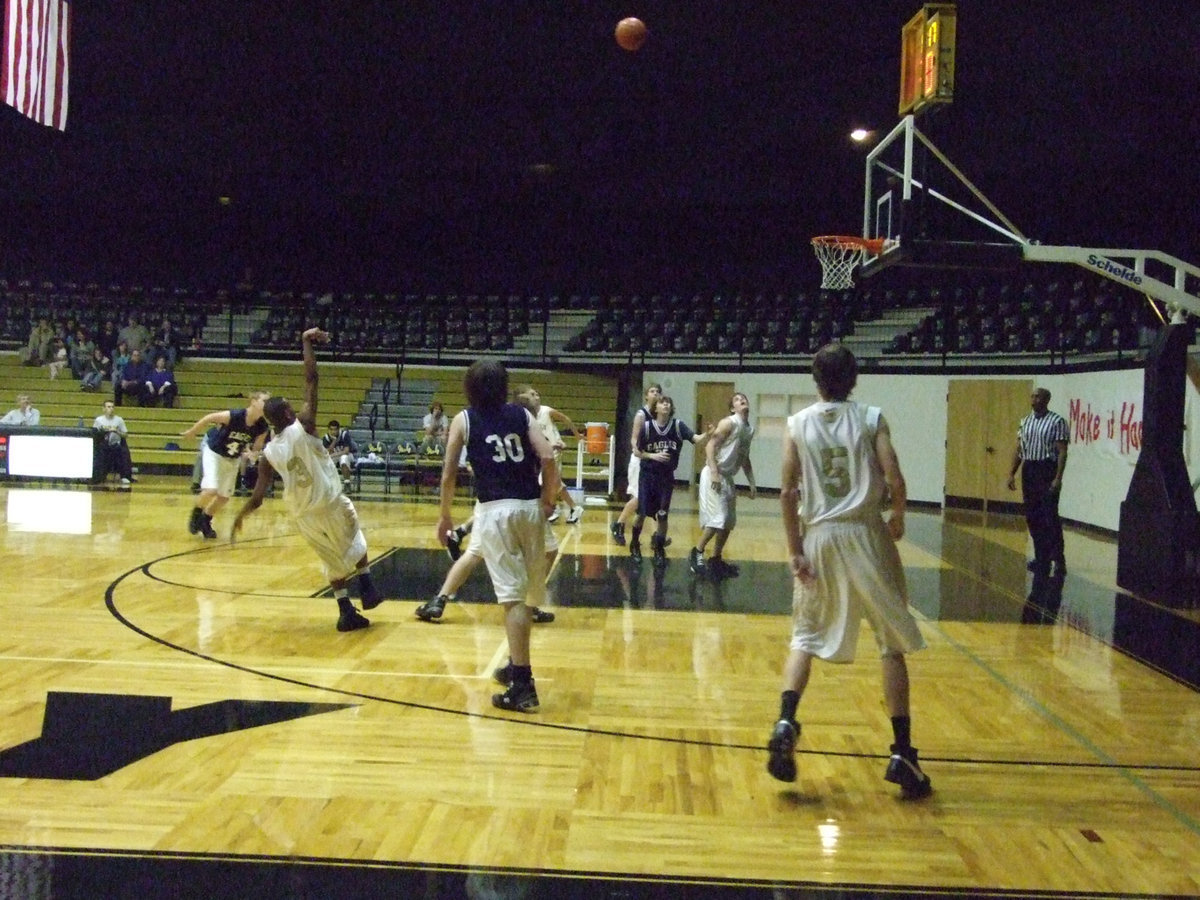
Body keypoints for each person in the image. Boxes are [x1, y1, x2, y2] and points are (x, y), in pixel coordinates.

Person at [766, 343, 931, 799]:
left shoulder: (797, 425)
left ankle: (785, 719)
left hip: (818, 534)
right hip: (865, 533)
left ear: (815, 380)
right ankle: (902, 752)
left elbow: (785, 492)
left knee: (805, 635)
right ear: (853, 379)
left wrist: (794, 549)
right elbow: (894, 476)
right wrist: (897, 515)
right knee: (890, 643)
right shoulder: (871, 417)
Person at [232, 328, 384, 632]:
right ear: (289, 412)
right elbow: (312, 380)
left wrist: (240, 515)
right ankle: (366, 584)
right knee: (355, 539)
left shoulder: (268, 454)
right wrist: (305, 341)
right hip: (329, 500)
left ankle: (345, 610)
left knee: (330, 557)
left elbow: (258, 497)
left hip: (303, 514)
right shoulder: (305, 425)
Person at [434, 360, 558, 712]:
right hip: (529, 508)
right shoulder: (521, 415)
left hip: (494, 511)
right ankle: (516, 665)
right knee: (527, 593)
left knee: (512, 599)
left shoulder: (464, 419)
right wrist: (548, 498)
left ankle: (523, 683)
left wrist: (445, 516)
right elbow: (547, 455)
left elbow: (448, 475)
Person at [629, 395, 712, 564]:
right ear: (656, 408)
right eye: (662, 402)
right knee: (642, 513)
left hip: (666, 476)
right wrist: (653, 455)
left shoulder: (677, 426)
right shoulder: (646, 427)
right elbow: (637, 452)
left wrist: (708, 434)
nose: (665, 404)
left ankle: (659, 549)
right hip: (648, 475)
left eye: (668, 402)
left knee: (663, 515)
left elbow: (696, 439)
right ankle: (635, 544)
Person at [180, 390, 272, 539]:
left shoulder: (262, 426)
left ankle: (205, 520)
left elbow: (258, 446)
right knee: (211, 490)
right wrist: (192, 431)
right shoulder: (235, 415)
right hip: (214, 453)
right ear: (253, 401)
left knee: (224, 497)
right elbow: (209, 417)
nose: (267, 404)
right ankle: (197, 513)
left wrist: (253, 454)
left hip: (232, 459)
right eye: (264, 401)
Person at [690, 391, 757, 577]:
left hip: (727, 477)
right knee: (718, 518)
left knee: (728, 522)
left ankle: (716, 559)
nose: (742, 399)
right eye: (737, 399)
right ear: (732, 408)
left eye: (744, 397)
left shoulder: (748, 429)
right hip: (714, 473)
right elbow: (709, 446)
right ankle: (697, 552)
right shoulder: (729, 423)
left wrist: (751, 482)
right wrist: (713, 473)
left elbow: (744, 457)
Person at [1007, 387, 1070, 578]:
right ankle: (1041, 557)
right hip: (1030, 469)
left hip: (1047, 469)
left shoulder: (1057, 421)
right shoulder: (1025, 421)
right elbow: (1019, 449)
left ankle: (1059, 559)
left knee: (1050, 516)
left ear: (1046, 400)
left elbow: (1062, 452)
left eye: (1038, 396)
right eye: (1032, 396)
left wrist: (1058, 478)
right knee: (1032, 516)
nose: (1034, 399)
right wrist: (1011, 473)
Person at [512, 382, 582, 524]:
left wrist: (577, 435)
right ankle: (569, 507)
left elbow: (565, 419)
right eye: (533, 394)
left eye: (537, 394)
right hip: (539, 451)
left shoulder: (545, 411)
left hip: (552, 450)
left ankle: (553, 507)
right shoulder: (526, 415)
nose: (537, 397)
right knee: (555, 482)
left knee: (549, 481)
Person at [610, 382, 662, 546]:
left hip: (651, 461)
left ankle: (655, 535)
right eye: (652, 391)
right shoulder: (641, 414)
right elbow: (634, 437)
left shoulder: (659, 416)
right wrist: (636, 448)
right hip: (639, 460)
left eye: (658, 392)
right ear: (646, 395)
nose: (655, 394)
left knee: (651, 498)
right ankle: (618, 524)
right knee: (640, 497)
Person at [92, 399, 134, 487]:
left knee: (123, 452)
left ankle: (125, 475)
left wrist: (116, 431)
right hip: (104, 445)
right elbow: (95, 434)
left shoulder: (119, 420)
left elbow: (125, 435)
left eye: (112, 407)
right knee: (99, 452)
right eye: (108, 407)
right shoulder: (99, 420)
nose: (111, 409)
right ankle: (99, 476)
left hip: (116, 444)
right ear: (104, 409)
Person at [322, 419, 359, 485]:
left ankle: (347, 483)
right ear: (328, 429)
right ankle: (329, 484)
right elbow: (328, 452)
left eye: (335, 429)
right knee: (326, 461)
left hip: (349, 455)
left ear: (338, 429)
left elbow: (346, 451)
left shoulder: (344, 435)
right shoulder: (326, 438)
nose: (333, 432)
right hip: (335, 456)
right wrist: (334, 441)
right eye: (331, 429)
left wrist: (334, 455)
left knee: (343, 459)